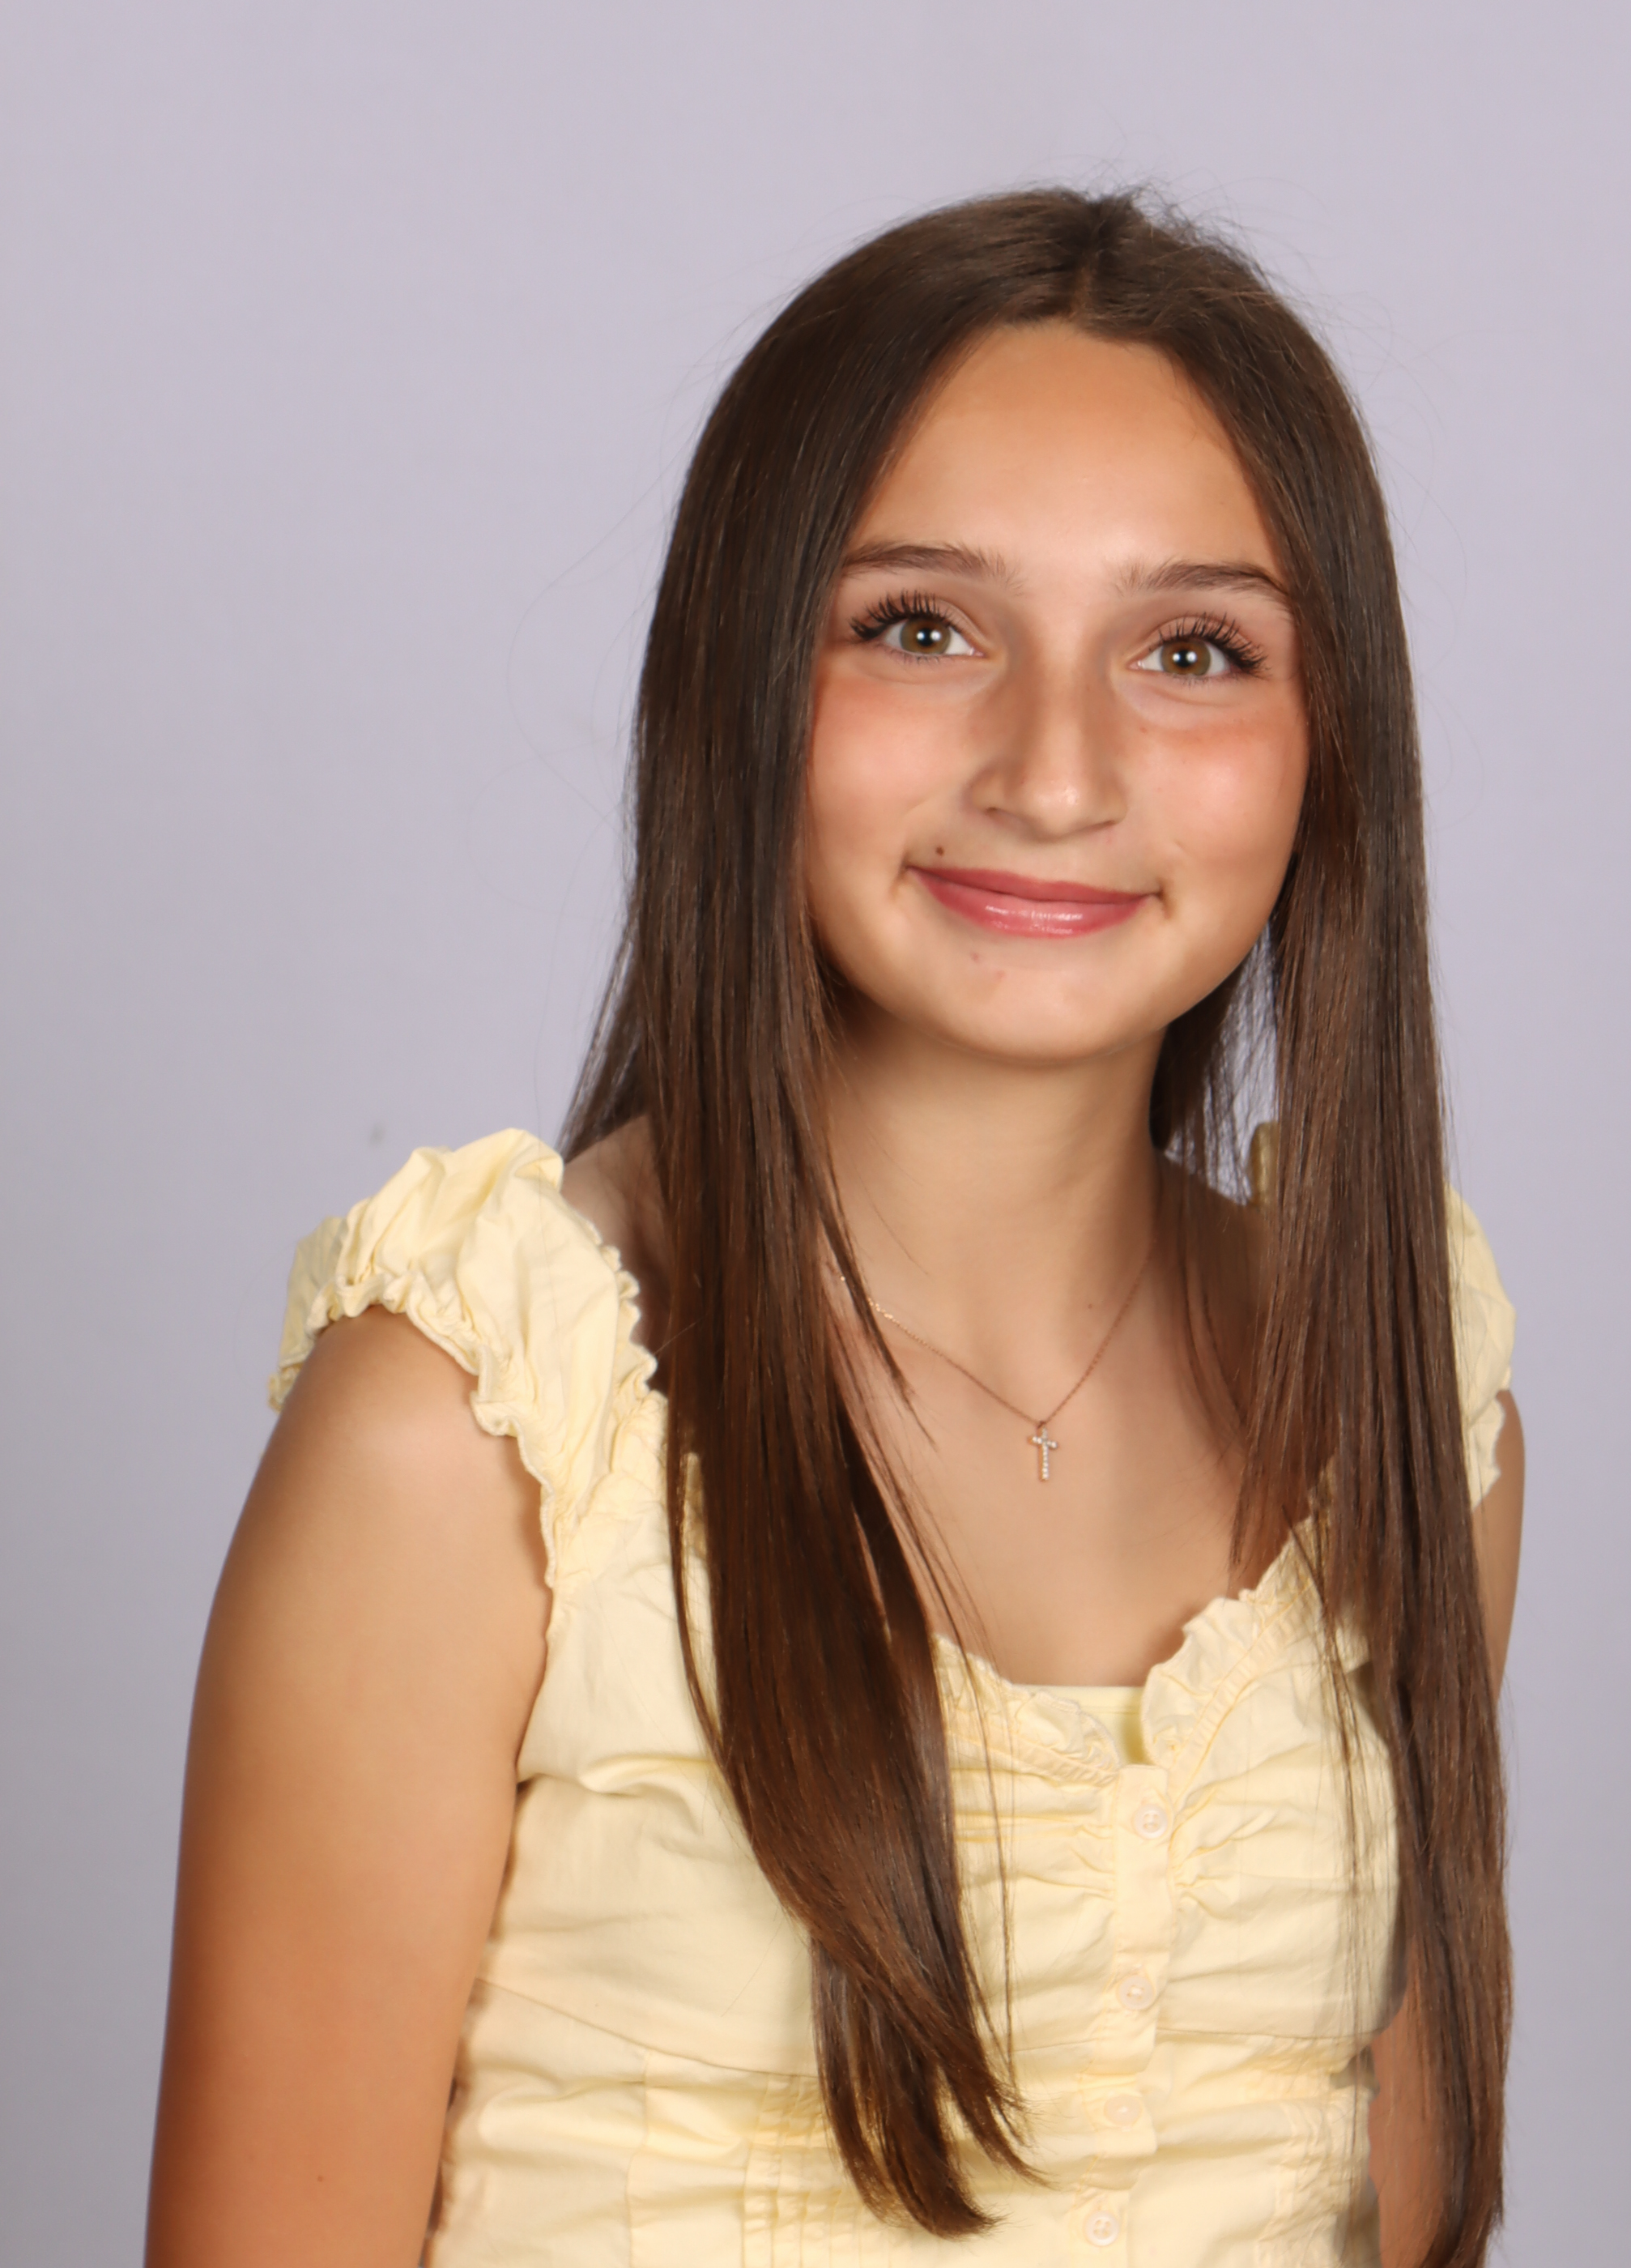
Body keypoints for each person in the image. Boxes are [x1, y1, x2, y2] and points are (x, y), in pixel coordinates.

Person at [145, 189, 1522, 2268]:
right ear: (740, 680)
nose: (1055, 772)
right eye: (921, 626)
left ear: (1330, 747)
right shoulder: (476, 1434)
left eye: (1191, 651)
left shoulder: (1402, 1414)